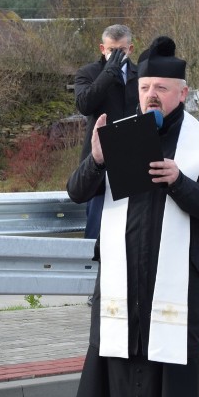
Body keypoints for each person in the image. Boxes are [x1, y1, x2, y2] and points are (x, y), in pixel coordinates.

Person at [61, 36, 199, 397]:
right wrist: (96, 160)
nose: (150, 94)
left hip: (174, 280)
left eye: (160, 87)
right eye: (143, 86)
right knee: (117, 364)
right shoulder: (116, 132)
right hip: (121, 277)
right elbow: (77, 191)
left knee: (165, 369)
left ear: (182, 92)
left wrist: (180, 182)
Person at [73, 25, 139, 261]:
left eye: (122, 50)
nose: (117, 55)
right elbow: (84, 105)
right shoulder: (88, 73)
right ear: (103, 49)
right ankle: (94, 291)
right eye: (112, 50)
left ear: (130, 49)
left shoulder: (141, 75)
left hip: (132, 162)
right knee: (97, 232)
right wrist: (109, 73)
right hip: (99, 162)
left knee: (131, 233)